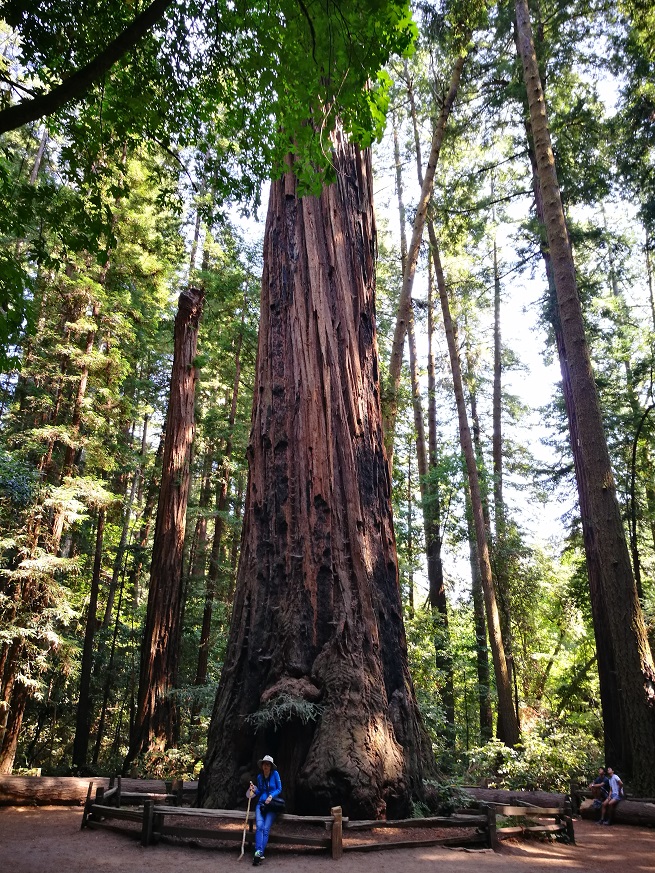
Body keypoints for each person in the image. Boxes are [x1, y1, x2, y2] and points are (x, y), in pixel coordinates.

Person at [247, 754, 283, 865]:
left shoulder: (275, 774)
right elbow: (259, 792)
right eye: (264, 764)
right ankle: (259, 852)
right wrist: (253, 789)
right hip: (261, 805)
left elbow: (279, 789)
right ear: (262, 766)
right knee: (260, 826)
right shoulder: (259, 777)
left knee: (266, 828)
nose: (266, 766)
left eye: (268, 764)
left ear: (271, 766)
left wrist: (271, 796)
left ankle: (258, 853)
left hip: (271, 806)